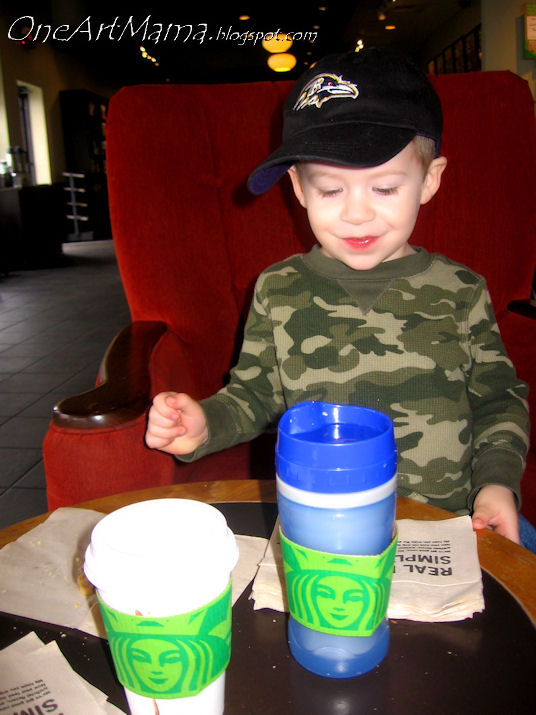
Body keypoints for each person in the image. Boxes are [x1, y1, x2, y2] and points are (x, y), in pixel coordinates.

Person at [145, 49, 532, 549]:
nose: (356, 214)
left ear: (430, 180)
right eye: (330, 190)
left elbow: (499, 399)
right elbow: (254, 397)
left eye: (385, 188)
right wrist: (202, 425)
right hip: (323, 527)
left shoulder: (462, 289)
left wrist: (497, 484)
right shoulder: (277, 288)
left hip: (447, 525)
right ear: (298, 188)